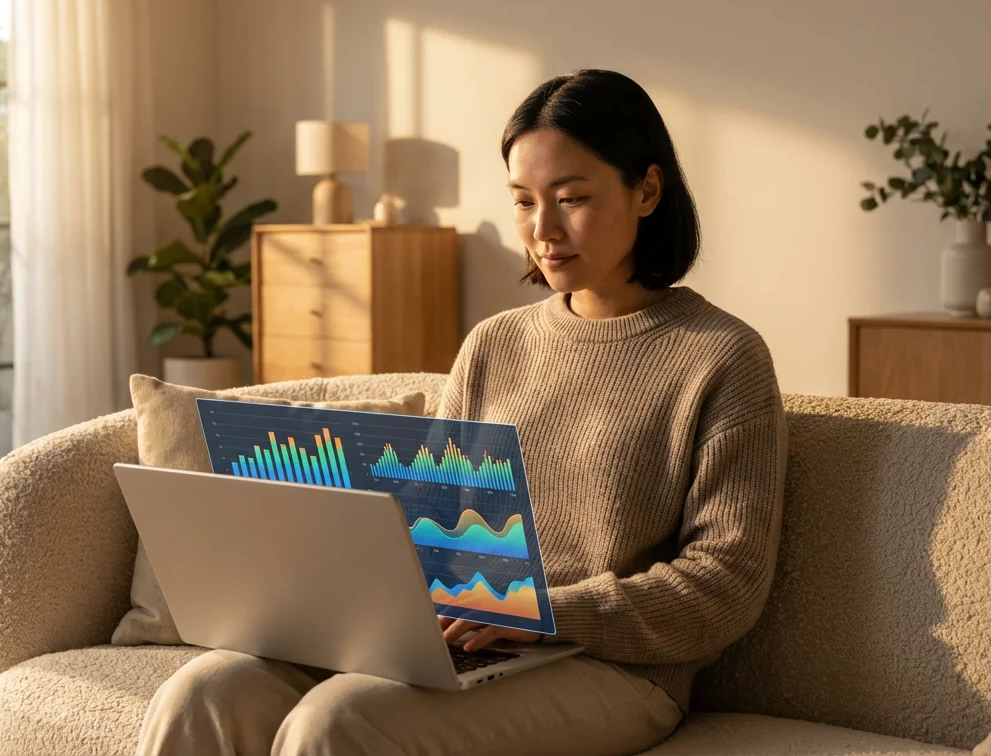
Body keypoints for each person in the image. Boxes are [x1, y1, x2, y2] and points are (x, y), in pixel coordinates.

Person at [136, 68, 786, 756]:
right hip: (463, 638)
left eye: (572, 198)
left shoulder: (723, 358)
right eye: (523, 200)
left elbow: (726, 584)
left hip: (612, 669)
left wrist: (540, 613)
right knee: (206, 690)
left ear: (647, 190)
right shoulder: (493, 345)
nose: (543, 230)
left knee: (341, 722)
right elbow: (436, 530)